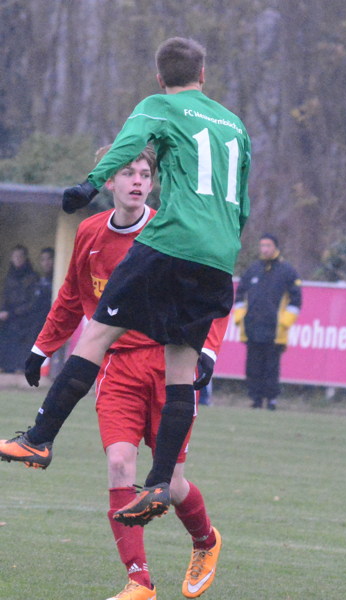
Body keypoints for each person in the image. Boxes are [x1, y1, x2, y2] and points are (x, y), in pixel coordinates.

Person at [0, 36, 251, 528]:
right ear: (203, 76)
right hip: (219, 256)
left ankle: (39, 438)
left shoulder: (160, 105)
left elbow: (129, 144)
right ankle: (158, 484)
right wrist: (223, 248)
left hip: (171, 243)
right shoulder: (235, 126)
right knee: (181, 370)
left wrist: (89, 185)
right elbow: (241, 199)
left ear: (160, 78)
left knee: (97, 334)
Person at [24, 147, 223, 600]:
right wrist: (42, 347)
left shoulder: (170, 232)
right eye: (127, 173)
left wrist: (208, 349)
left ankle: (205, 541)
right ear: (108, 182)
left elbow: (208, 294)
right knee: (118, 465)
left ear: (153, 183)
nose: (137, 180)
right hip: (116, 368)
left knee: (171, 485)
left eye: (144, 173)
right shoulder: (90, 233)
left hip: (169, 366)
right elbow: (72, 296)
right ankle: (139, 581)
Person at [233, 233, 302, 410]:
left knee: (271, 367)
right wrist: (240, 317)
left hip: (275, 330)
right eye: (262, 246)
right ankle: (255, 399)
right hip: (252, 327)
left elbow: (296, 300)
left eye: (268, 246)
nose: (264, 249)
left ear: (275, 247)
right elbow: (239, 295)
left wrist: (285, 322)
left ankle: (271, 400)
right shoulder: (253, 269)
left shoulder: (287, 271)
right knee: (253, 366)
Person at [0, 244, 40, 372]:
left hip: (25, 319)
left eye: (20, 256)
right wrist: (3, 312)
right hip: (8, 318)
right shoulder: (9, 277)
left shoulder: (32, 277)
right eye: (15, 256)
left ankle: (20, 368)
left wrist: (12, 313)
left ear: (25, 258)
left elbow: (32, 302)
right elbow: (5, 297)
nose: (17, 259)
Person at [29, 247, 54, 342]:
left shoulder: (60, 278)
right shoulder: (38, 281)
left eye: (49, 259)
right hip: (37, 325)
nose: (46, 263)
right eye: (43, 260)